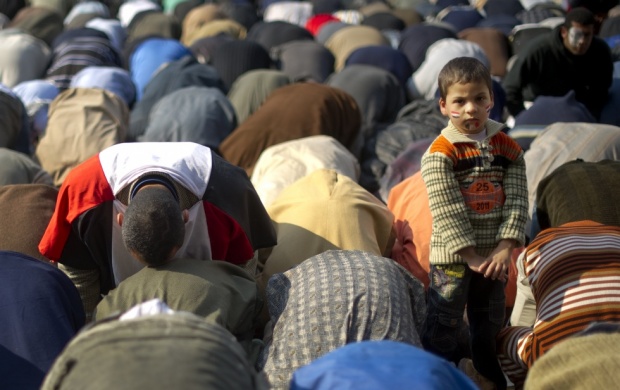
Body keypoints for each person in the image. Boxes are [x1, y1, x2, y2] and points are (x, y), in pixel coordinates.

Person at [38, 142, 277, 319]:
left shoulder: (225, 192)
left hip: (201, 304)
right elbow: (79, 280)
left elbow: (244, 275)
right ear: (119, 220)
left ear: (186, 217)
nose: (158, 275)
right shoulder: (85, 195)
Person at [420, 57, 528, 390]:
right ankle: (440, 374)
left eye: (479, 99)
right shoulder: (441, 153)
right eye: (460, 101)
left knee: (490, 318)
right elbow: (447, 208)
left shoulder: (507, 148)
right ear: (443, 105)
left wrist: (504, 247)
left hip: (494, 257)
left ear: (491, 100)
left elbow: (519, 199)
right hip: (454, 258)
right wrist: (471, 256)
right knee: (444, 319)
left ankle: (487, 374)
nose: (471, 109)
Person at [93, 184, 262, 356]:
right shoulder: (227, 279)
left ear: (120, 221)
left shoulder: (109, 305)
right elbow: (253, 306)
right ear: (185, 217)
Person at [502, 7, 613, 120]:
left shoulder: (600, 51)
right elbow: (509, 89)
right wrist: (523, 117)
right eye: (577, 34)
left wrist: (590, 117)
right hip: (537, 107)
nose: (582, 41)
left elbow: (602, 91)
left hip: (579, 111)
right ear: (564, 32)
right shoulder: (539, 50)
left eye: (587, 35)